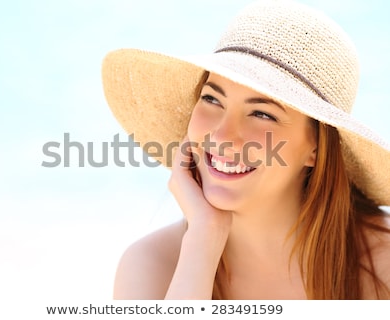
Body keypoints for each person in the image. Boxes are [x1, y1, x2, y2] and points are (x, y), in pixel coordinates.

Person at [101, 0, 390, 299]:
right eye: (212, 99)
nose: (223, 135)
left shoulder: (380, 262)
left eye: (262, 114)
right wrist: (203, 239)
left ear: (315, 149)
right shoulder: (153, 266)